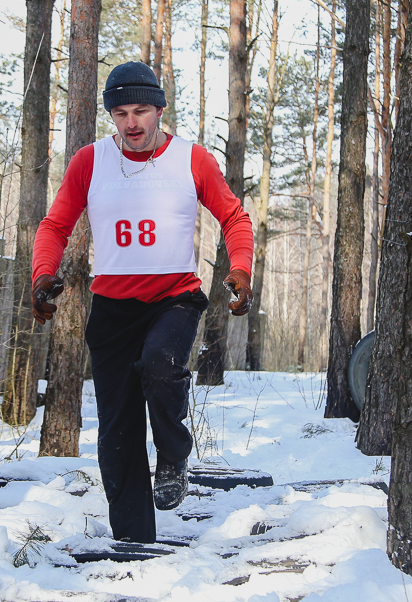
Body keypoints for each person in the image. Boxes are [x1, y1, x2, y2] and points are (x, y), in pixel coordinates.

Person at [31, 61, 254, 543]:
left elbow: (235, 218)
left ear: (158, 111)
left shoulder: (192, 160)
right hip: (111, 310)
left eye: (141, 111)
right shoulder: (90, 161)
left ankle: (173, 457)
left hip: (173, 298)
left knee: (160, 363)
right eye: (121, 113)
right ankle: (134, 543)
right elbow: (54, 226)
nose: (131, 123)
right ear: (111, 115)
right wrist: (43, 274)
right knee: (116, 437)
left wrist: (240, 269)